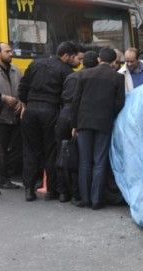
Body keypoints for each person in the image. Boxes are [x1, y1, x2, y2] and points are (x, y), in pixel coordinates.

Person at [18, 41, 79, 202]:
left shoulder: (35, 64)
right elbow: (66, 95)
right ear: (65, 55)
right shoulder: (66, 70)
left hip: (30, 110)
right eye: (73, 57)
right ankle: (52, 190)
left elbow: (22, 87)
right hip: (50, 110)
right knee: (51, 150)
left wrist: (25, 104)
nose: (75, 60)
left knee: (30, 150)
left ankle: (29, 190)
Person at [71, 48, 125, 210]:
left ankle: (85, 199)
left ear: (99, 58)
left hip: (84, 122)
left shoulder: (83, 74)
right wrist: (109, 115)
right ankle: (96, 200)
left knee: (84, 161)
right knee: (100, 161)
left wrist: (75, 124)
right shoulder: (118, 78)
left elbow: (76, 101)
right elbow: (119, 103)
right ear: (114, 61)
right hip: (104, 123)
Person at [55, 51, 98, 204]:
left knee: (62, 154)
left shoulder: (71, 76)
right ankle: (75, 192)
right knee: (77, 156)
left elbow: (63, 97)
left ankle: (62, 192)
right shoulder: (91, 79)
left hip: (64, 115)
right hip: (79, 118)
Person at [0, 42, 22, 190]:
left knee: (13, 149)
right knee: (1, 150)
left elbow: (23, 89)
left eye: (11, 51)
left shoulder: (16, 71)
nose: (11, 54)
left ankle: (7, 175)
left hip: (15, 116)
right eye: (7, 51)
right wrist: (3, 98)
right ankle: (3, 179)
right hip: (1, 117)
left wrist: (22, 102)